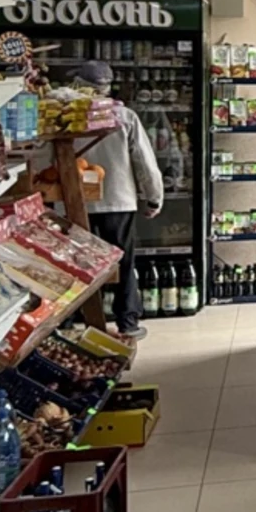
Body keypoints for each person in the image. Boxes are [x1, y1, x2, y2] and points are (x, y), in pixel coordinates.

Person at [66, 61, 164, 340]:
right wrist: (153, 197)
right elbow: (144, 161)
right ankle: (127, 321)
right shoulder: (124, 116)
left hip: (73, 201)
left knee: (73, 262)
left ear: (79, 84)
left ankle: (70, 319)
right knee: (122, 262)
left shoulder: (67, 115)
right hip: (117, 200)